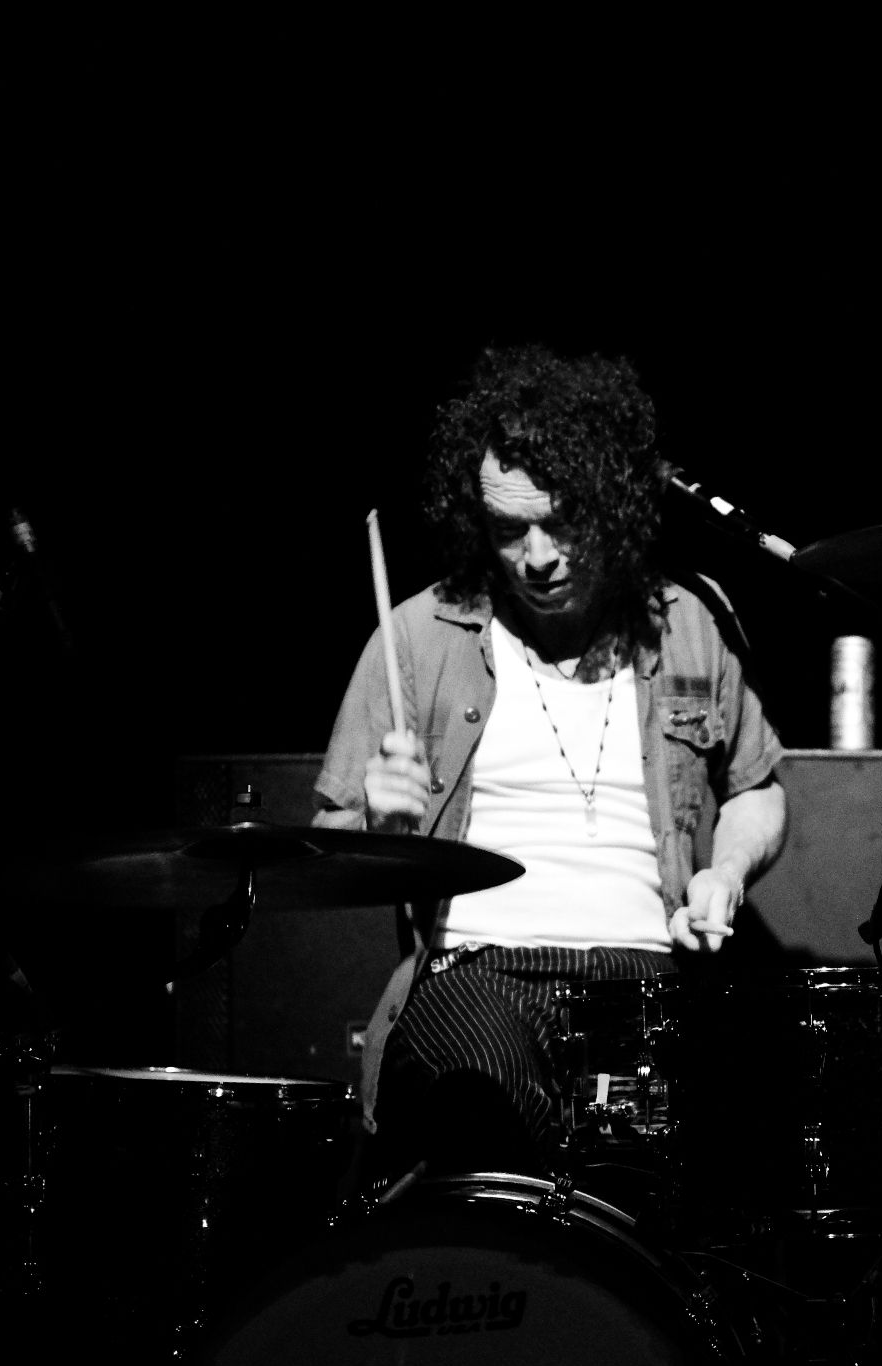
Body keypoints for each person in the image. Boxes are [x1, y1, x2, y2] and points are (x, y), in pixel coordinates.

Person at [313, 344, 786, 1179]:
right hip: (482, 968)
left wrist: (727, 873)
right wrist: (376, 829)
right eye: (508, 531)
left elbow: (757, 791)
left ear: (609, 504)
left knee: (723, 1147)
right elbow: (326, 838)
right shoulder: (420, 638)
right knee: (488, 1099)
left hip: (649, 970)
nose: (536, 556)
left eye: (559, 521)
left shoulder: (682, 624)